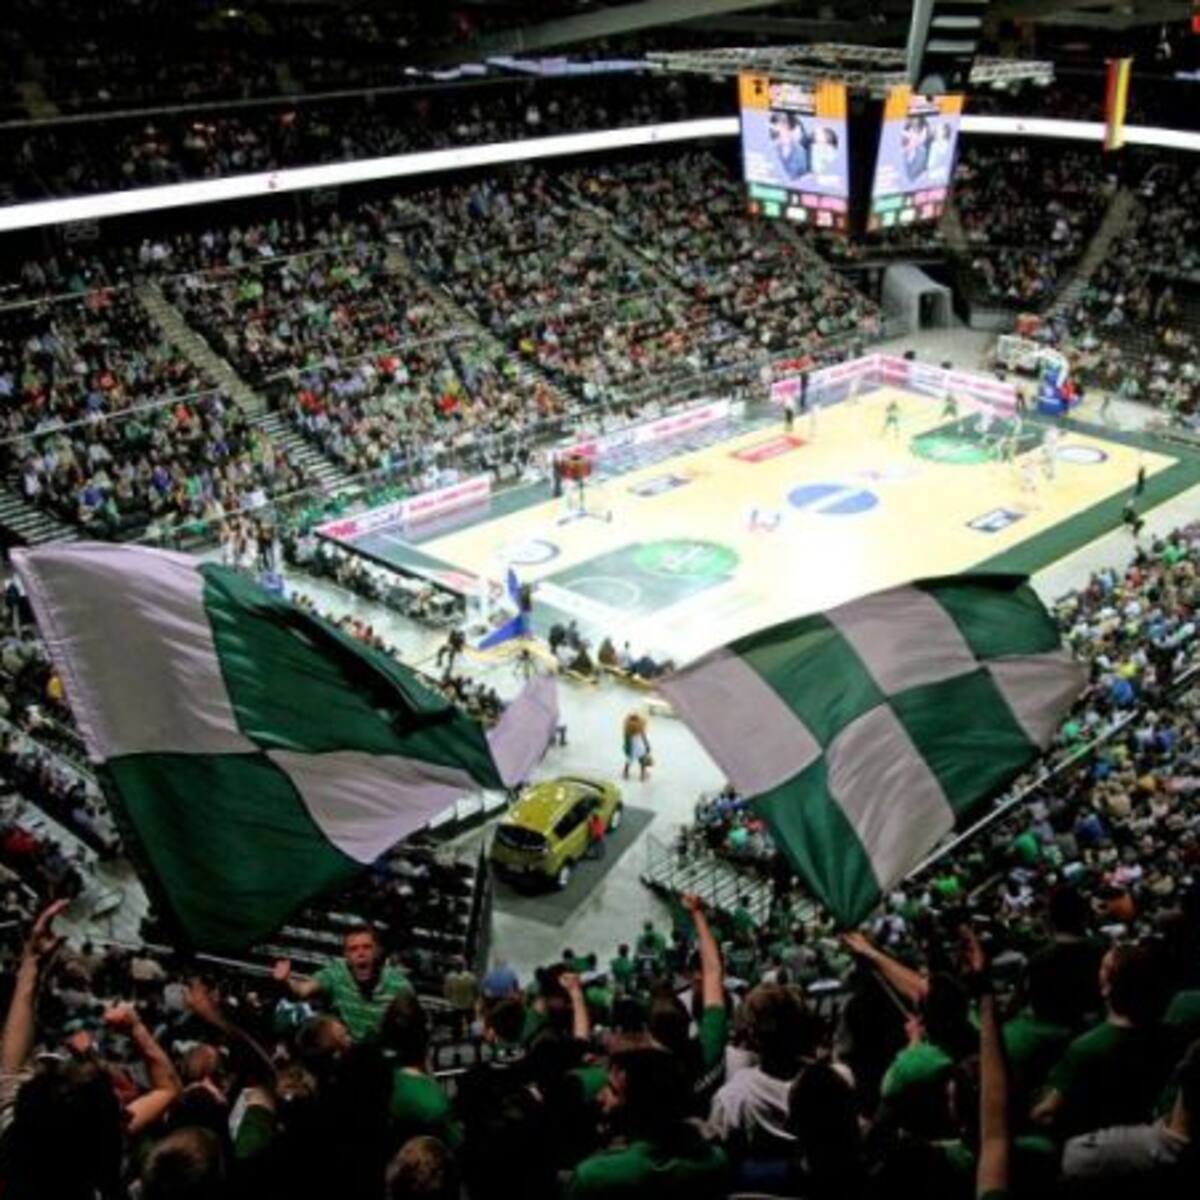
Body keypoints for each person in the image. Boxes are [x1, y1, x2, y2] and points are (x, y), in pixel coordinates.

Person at [273, 925, 411, 1043]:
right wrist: (285, 981)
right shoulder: (337, 973)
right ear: (345, 954)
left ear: (377, 951)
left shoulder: (398, 985)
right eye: (353, 949)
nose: (361, 953)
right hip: (345, 1055)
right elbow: (302, 990)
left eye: (367, 947)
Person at [622, 712, 651, 782]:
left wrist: (627, 750)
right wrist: (647, 747)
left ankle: (626, 774)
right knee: (642, 762)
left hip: (632, 749)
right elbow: (644, 739)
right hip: (640, 748)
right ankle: (642, 776)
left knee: (628, 761)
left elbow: (627, 743)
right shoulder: (641, 729)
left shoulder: (627, 732)